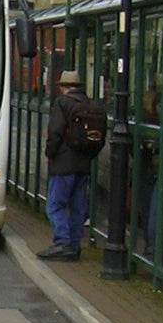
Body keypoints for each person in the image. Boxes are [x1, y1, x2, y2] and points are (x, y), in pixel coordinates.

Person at [38, 69, 95, 261]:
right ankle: (75, 245)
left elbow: (55, 132)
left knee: (55, 205)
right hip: (83, 163)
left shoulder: (62, 103)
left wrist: (50, 153)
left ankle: (62, 242)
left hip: (63, 163)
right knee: (78, 206)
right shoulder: (89, 104)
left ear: (63, 87)